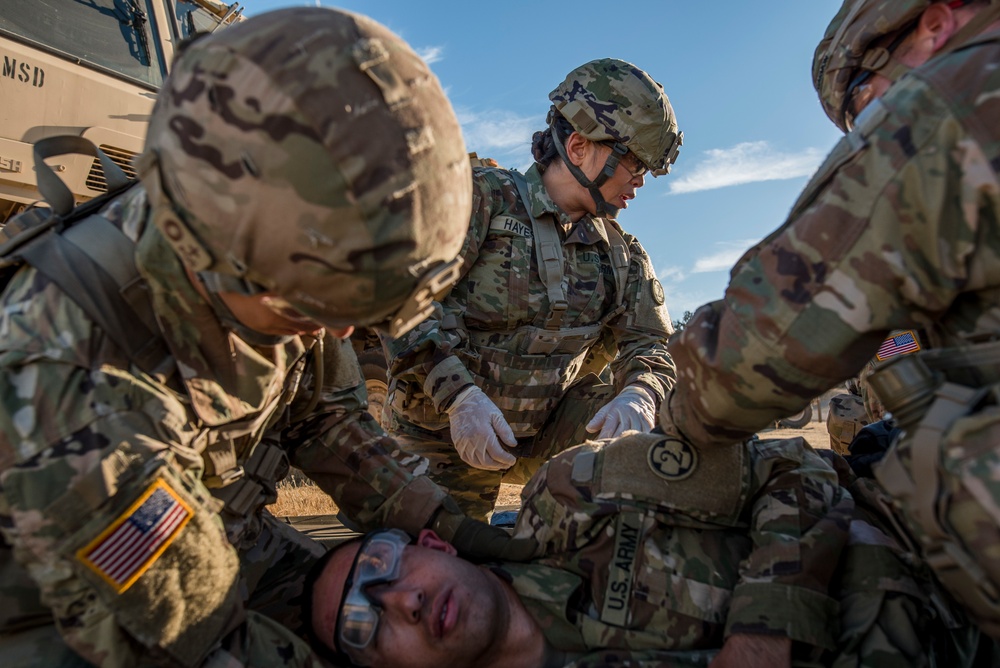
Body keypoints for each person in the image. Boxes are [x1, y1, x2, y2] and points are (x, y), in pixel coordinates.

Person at [0, 7, 521, 667]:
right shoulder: (70, 384)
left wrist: (444, 524)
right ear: (209, 249)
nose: (337, 330)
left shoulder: (280, 251)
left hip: (223, 540)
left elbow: (326, 416)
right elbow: (198, 637)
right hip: (86, 609)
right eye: (317, 307)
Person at [656, 0, 1000, 638]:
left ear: (934, 24)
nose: (860, 126)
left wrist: (670, 420)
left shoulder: (949, 99)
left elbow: (745, 365)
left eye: (860, 100)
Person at [306, 432, 976, 668]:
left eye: (382, 567)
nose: (405, 601)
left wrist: (764, 632)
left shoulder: (573, 497)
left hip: (949, 559)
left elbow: (795, 471)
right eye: (366, 627)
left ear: (431, 543)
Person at [381, 58, 683, 520]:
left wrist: (641, 393)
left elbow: (650, 345)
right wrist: (459, 397)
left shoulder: (622, 254)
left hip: (547, 430)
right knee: (441, 564)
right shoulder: (479, 199)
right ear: (579, 147)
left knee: (675, 431)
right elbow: (404, 304)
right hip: (446, 431)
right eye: (634, 162)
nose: (640, 180)